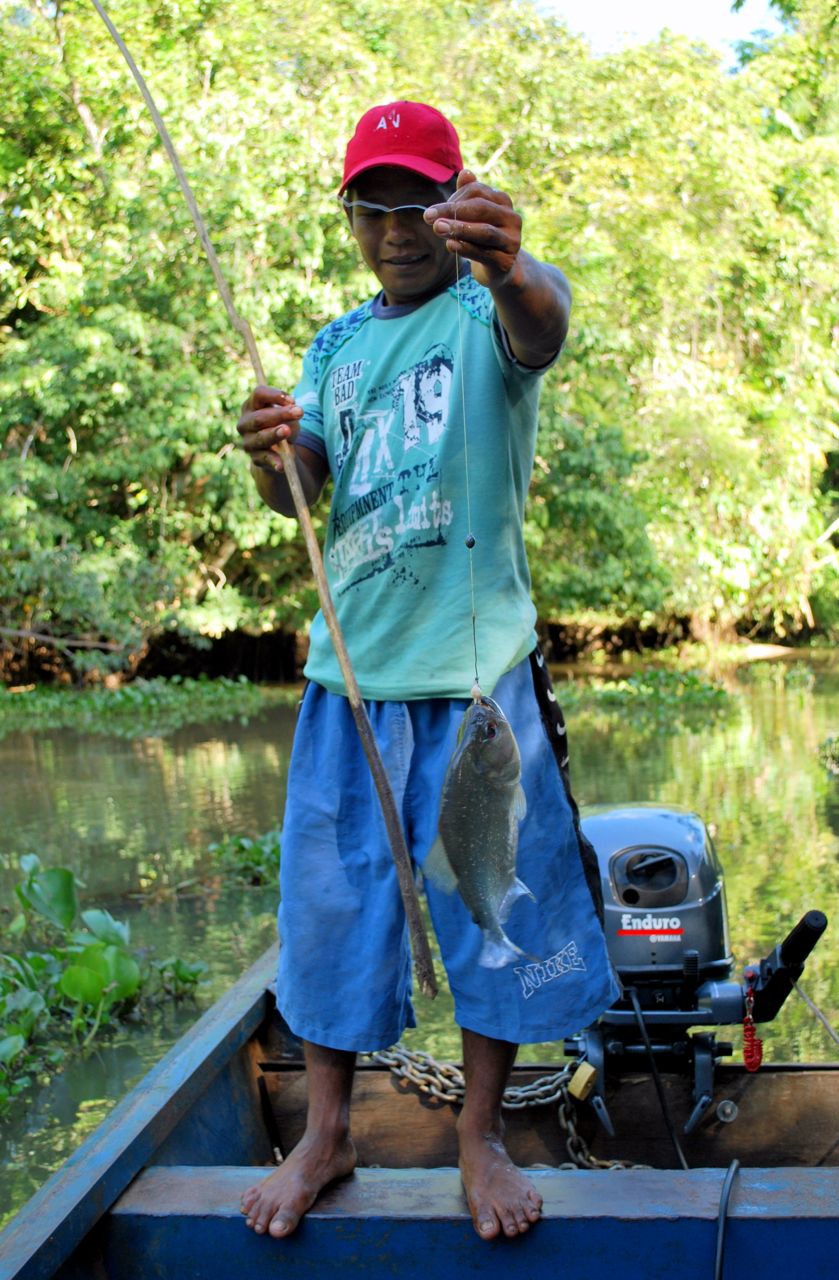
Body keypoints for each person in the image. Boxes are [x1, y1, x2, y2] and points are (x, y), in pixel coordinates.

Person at [236, 100, 619, 1243]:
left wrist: (509, 264)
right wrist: (268, 454)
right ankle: (326, 1132)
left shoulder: (487, 308)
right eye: (375, 206)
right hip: (347, 681)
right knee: (331, 907)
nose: (397, 227)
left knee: (486, 900)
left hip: (473, 686)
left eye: (419, 202)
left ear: (455, 205)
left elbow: (541, 323)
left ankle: (479, 1134)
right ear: (349, 216)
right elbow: (301, 495)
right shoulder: (332, 348)